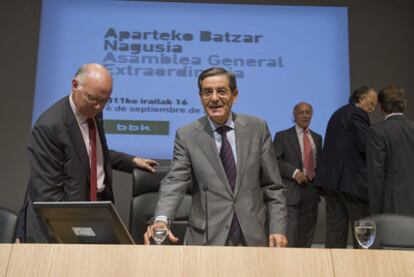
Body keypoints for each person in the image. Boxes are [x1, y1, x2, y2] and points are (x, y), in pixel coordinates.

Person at [144, 67, 287, 247]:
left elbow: (273, 186)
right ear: (200, 97)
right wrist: (162, 220)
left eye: (221, 91)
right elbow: (175, 181)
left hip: (252, 237)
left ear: (234, 95)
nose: (214, 98)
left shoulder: (257, 128)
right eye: (207, 92)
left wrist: (278, 229)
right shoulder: (187, 135)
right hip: (206, 239)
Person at [16, 63, 158, 243]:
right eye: (93, 99)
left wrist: (130, 161)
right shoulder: (49, 127)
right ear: (75, 85)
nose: (99, 107)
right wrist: (73, 233)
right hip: (60, 222)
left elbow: (90, 152)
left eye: (105, 100)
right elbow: (50, 197)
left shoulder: (92, 110)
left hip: (91, 210)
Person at [316, 86, 377, 248]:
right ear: (360, 99)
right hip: (352, 183)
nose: (372, 108)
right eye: (371, 103)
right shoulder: (358, 114)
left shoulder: (338, 113)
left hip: (332, 183)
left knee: (335, 233)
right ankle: (362, 270)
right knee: (363, 233)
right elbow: (366, 145)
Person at [273, 102, 322, 247]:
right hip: (292, 192)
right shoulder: (282, 136)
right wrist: (294, 172)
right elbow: (274, 160)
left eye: (308, 112)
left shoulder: (317, 138)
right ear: (294, 116)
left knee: (307, 237)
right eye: (301, 112)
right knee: (290, 238)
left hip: (311, 192)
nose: (305, 115)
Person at [367, 86, 414, 215]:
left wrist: (375, 212)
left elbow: (376, 175)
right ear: (403, 105)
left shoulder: (377, 131)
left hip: (393, 206)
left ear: (381, 107)